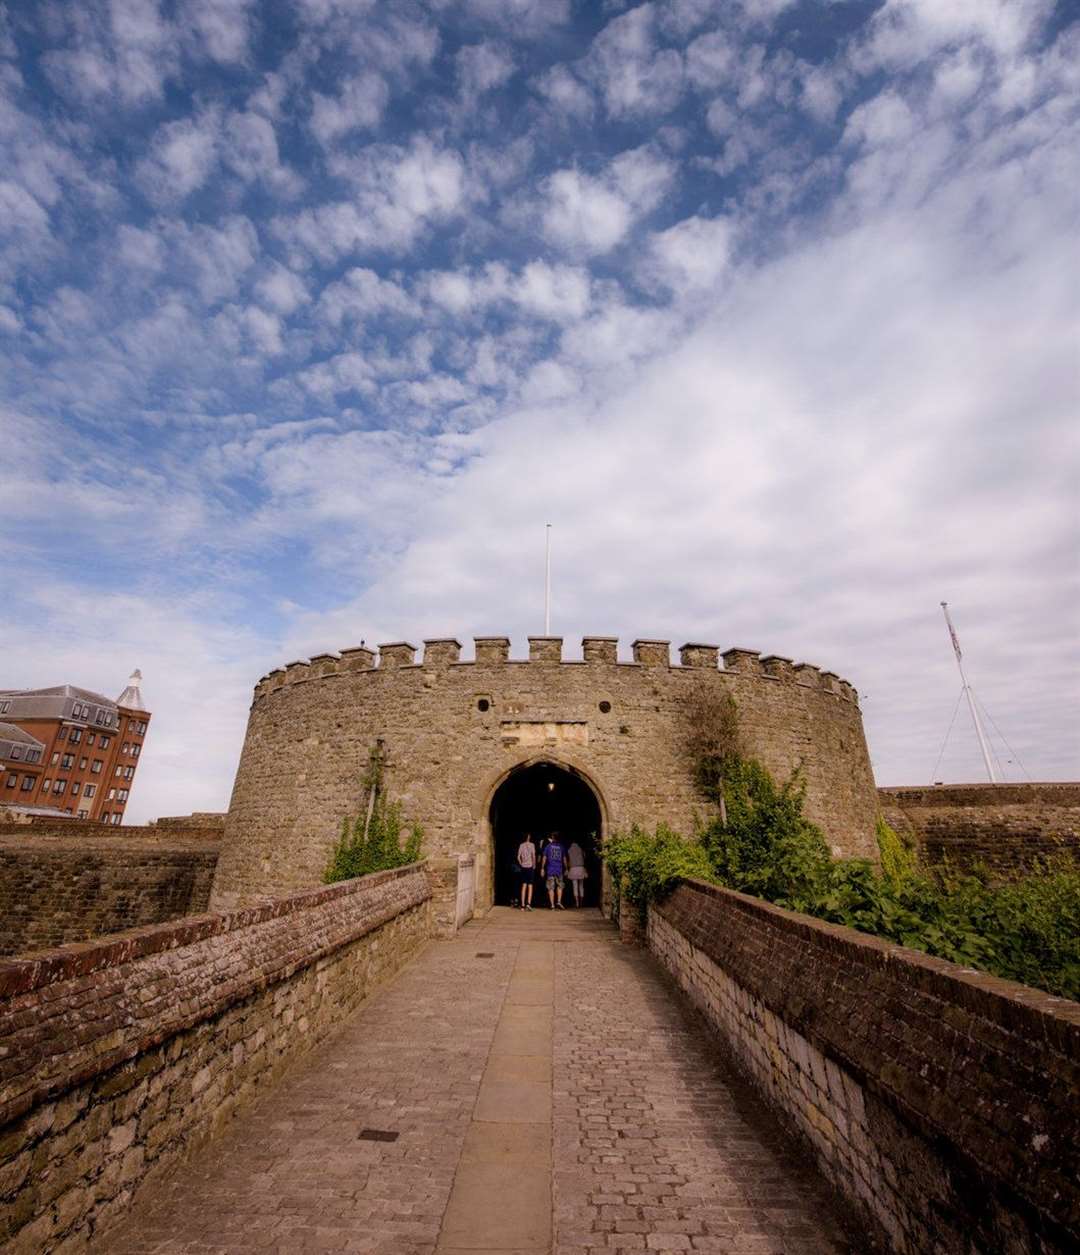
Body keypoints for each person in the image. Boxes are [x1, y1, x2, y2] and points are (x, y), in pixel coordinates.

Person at [542, 832, 566, 909]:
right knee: (560, 886)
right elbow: (564, 858)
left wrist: (542, 868)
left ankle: (552, 905)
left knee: (551, 887)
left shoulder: (548, 846)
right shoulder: (561, 847)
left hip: (550, 869)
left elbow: (544, 858)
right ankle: (558, 902)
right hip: (559, 869)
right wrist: (567, 868)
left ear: (552, 837)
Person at [516, 832, 537, 910]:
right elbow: (533, 855)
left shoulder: (521, 845)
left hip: (523, 867)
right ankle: (528, 903)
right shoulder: (532, 845)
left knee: (523, 885)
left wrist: (521, 864)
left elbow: (518, 856)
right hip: (530, 866)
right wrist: (534, 865)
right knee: (530, 886)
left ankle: (522, 905)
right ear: (528, 837)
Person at [566, 839, 587, 906]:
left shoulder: (569, 850)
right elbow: (584, 858)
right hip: (581, 868)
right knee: (581, 886)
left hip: (573, 868)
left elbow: (568, 860)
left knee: (575, 886)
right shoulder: (581, 849)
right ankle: (581, 902)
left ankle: (577, 902)